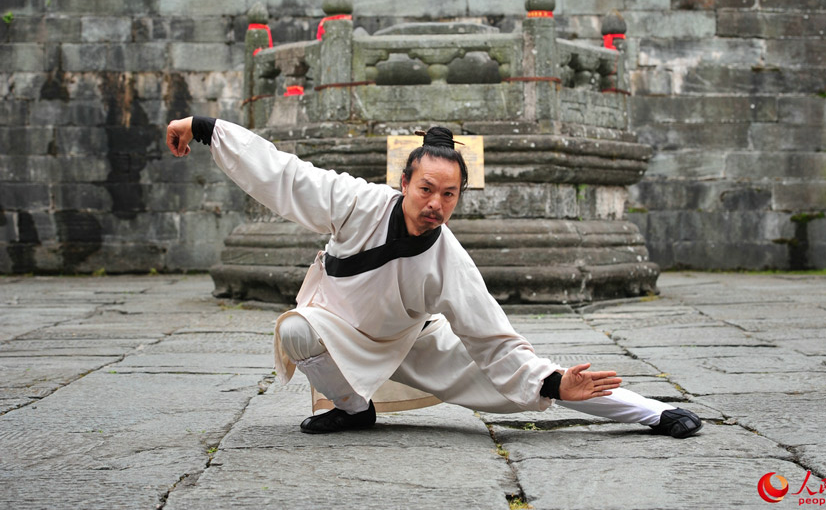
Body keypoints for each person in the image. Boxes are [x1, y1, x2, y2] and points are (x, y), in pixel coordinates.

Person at [166, 116, 702, 438]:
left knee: (538, 383)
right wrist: (210, 130)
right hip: (337, 330)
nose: (436, 204)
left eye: (449, 194)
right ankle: (354, 410)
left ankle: (653, 413)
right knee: (294, 329)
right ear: (404, 182)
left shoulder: (449, 259)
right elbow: (285, 175)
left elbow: (498, 343)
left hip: (414, 344)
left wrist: (559, 383)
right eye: (426, 189)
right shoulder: (355, 201)